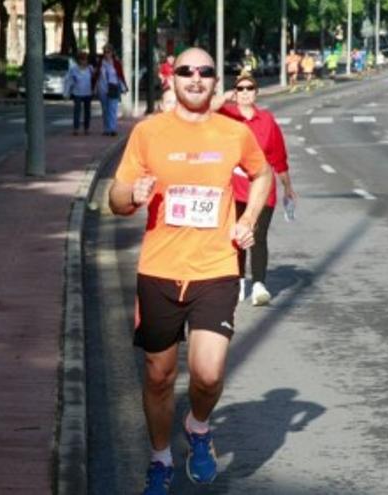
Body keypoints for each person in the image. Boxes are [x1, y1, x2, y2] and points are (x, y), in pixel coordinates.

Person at [108, 47, 272, 495]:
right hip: (159, 271)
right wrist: (132, 195)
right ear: (172, 79)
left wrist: (247, 218)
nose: (196, 78)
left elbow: (263, 176)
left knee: (208, 373)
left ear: (215, 81)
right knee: (159, 375)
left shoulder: (232, 133)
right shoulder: (149, 133)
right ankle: (160, 458)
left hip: (216, 268)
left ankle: (198, 426)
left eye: (205, 72)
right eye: (186, 71)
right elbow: (116, 199)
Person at [218, 74, 296, 306]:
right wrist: (224, 97)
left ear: (256, 92)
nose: (244, 93)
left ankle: (259, 283)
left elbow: (278, 156)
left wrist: (288, 187)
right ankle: (240, 280)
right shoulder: (226, 116)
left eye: (249, 88)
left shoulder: (267, 120)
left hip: (263, 189)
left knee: (258, 236)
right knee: (237, 237)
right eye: (239, 89)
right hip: (235, 189)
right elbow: (206, 109)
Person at [93, 43, 128, 136]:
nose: (106, 54)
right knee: (105, 110)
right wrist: (94, 87)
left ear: (112, 52)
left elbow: (120, 75)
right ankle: (106, 129)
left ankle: (113, 129)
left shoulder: (116, 63)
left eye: (108, 52)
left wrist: (123, 86)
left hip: (113, 87)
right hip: (103, 88)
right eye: (104, 52)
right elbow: (96, 75)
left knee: (112, 108)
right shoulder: (100, 63)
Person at [65, 51, 94, 135]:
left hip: (88, 93)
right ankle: (76, 128)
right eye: (82, 59)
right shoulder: (74, 69)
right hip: (77, 93)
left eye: (85, 59)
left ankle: (86, 128)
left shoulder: (90, 68)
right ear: (79, 60)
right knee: (77, 111)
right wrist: (67, 92)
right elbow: (69, 80)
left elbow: (94, 79)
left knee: (87, 112)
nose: (83, 61)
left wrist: (94, 89)